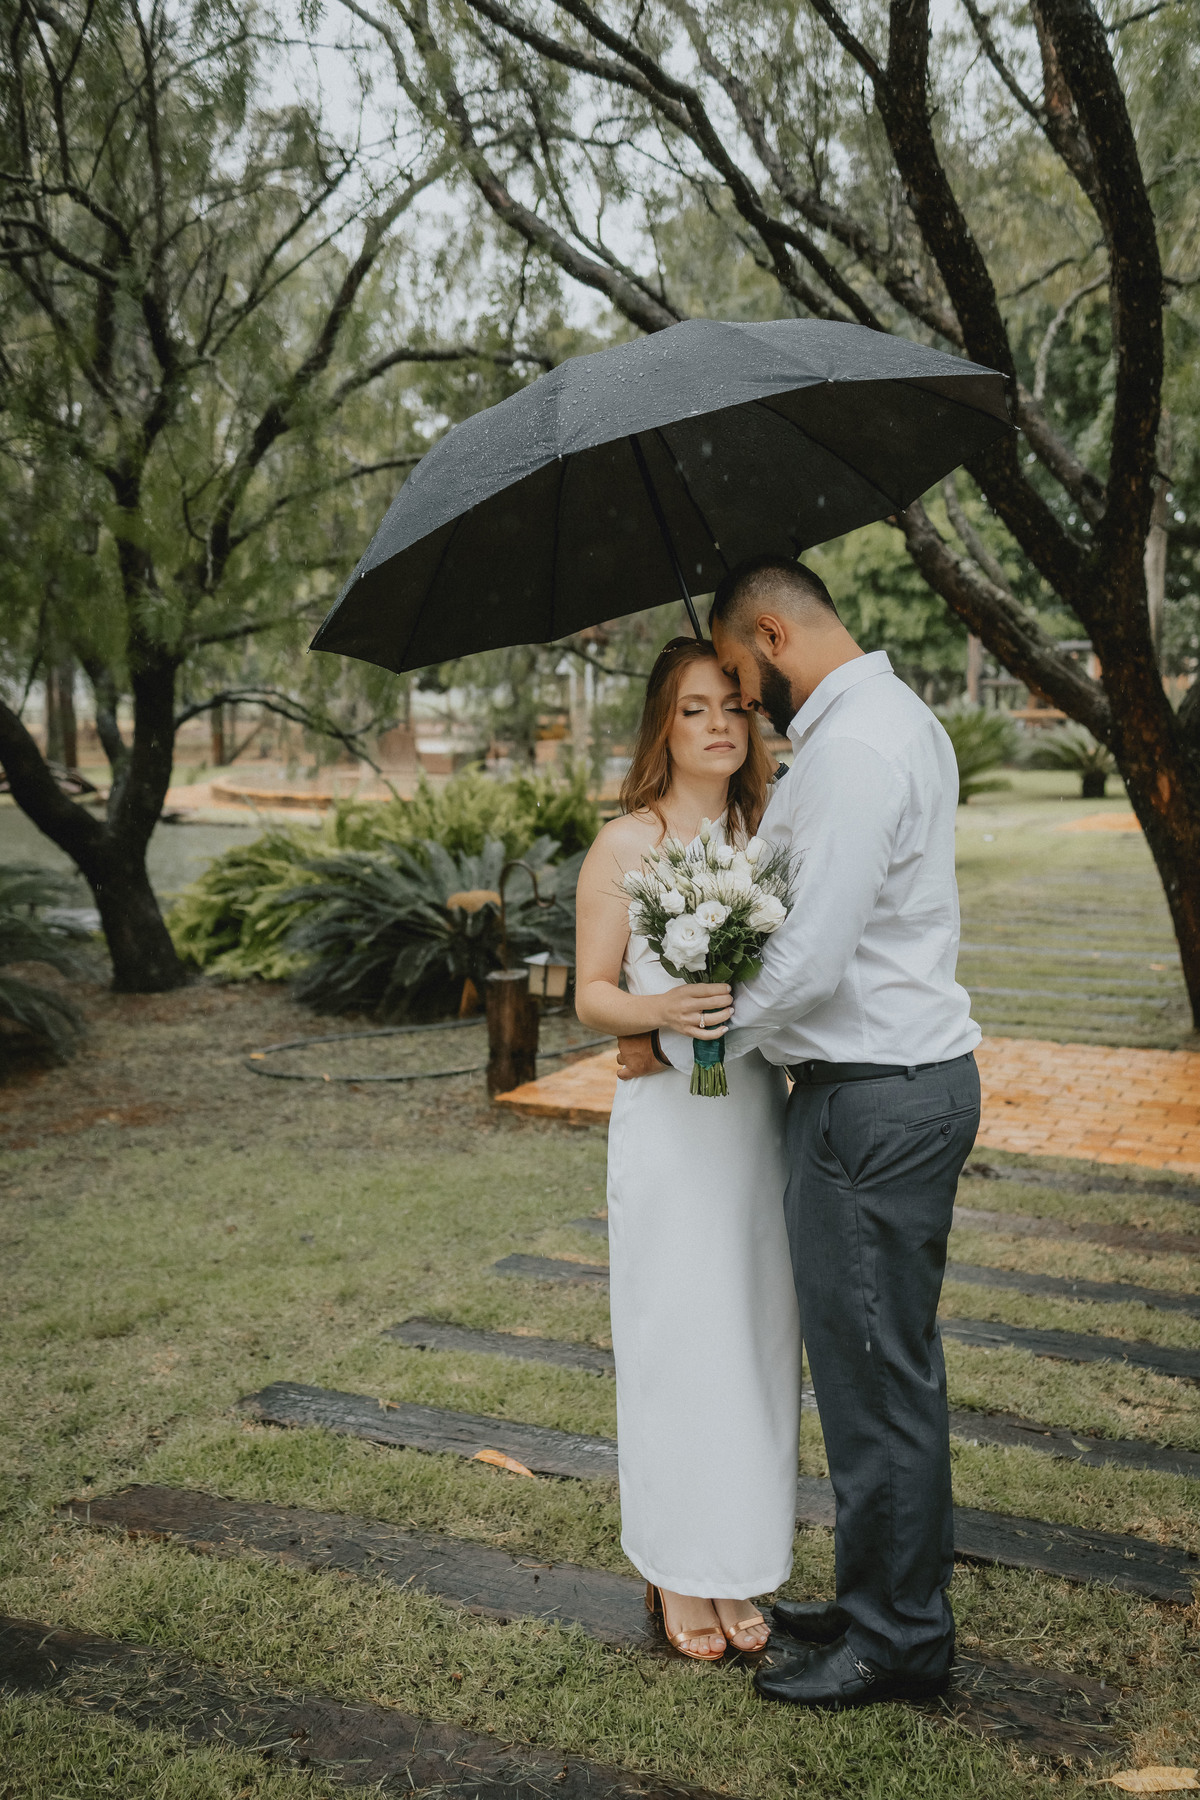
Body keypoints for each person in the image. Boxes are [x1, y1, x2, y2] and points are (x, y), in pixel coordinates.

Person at [618, 556, 981, 1709]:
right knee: (874, 1369)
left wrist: (689, 1042)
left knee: (878, 1380)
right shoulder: (876, 725)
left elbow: (812, 961)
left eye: (736, 673)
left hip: (875, 1096)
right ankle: (882, 1600)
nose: (738, 698)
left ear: (771, 636)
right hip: (871, 1088)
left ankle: (900, 1637)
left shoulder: (860, 747)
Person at [574, 636, 803, 1661]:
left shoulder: (771, 837)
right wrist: (659, 1012)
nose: (718, 725)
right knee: (676, 1339)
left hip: (753, 1120)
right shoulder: (626, 844)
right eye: (694, 708)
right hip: (671, 1130)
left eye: (733, 706)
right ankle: (676, 1568)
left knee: (752, 1340)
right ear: (662, 728)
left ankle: (740, 1561)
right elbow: (592, 994)